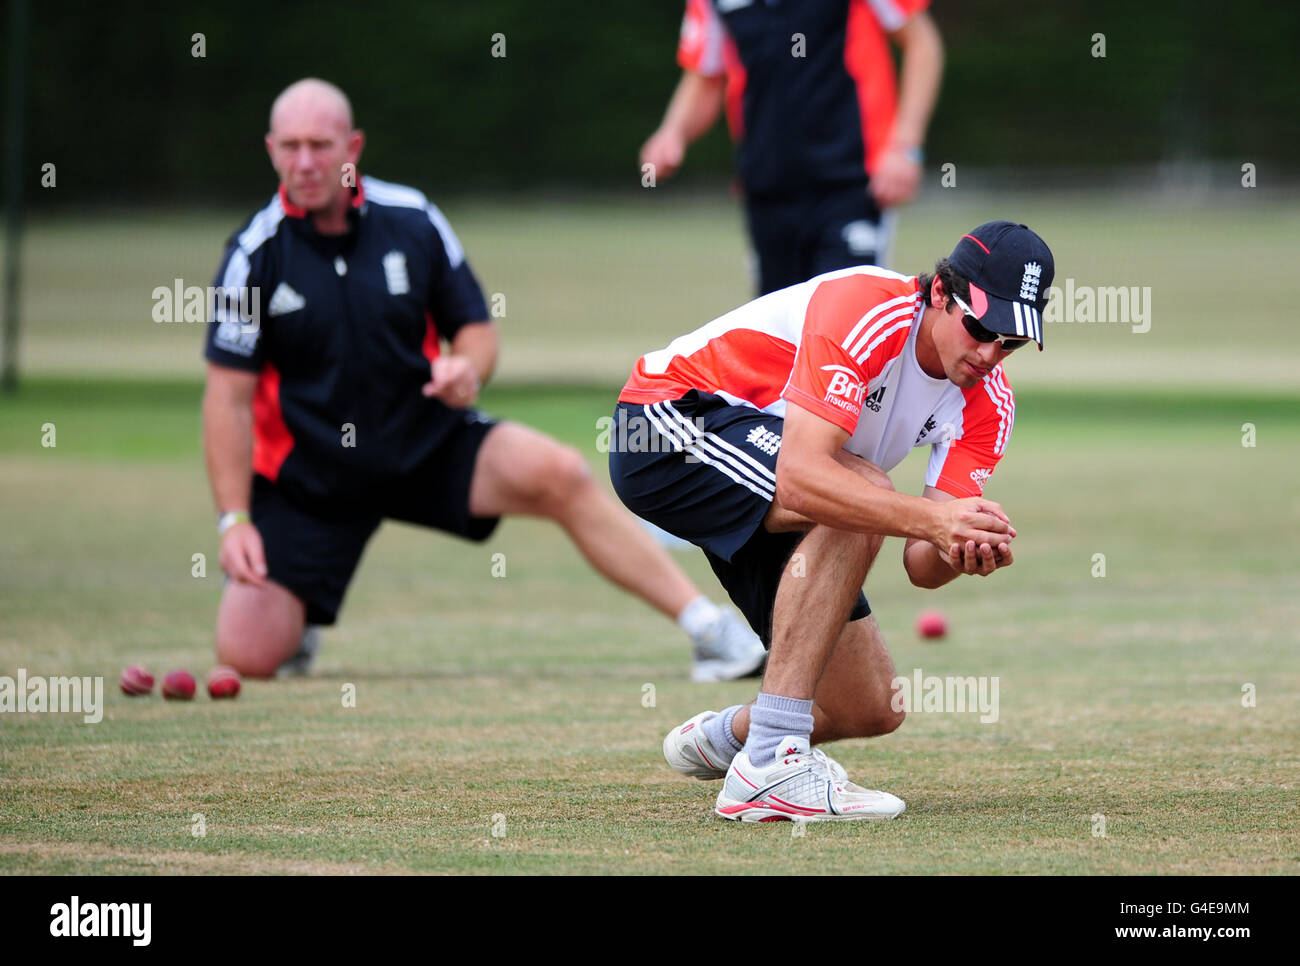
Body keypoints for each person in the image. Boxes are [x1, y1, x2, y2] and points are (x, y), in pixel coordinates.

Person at [202, 78, 766, 683]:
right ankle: (300, 616)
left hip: (423, 440)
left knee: (560, 473)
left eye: (320, 143)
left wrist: (466, 369)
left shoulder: (412, 220)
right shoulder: (254, 255)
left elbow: (476, 332)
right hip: (310, 476)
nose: (306, 161)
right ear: (271, 151)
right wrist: (234, 519)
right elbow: (228, 398)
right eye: (290, 146)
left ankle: (709, 630)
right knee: (248, 656)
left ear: (353, 146)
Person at [609, 221, 1054, 821]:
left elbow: (922, 565)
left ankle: (731, 737)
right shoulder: (866, 308)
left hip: (782, 483)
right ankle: (770, 764)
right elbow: (802, 478)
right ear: (942, 292)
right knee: (861, 490)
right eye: (980, 329)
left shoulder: (989, 405)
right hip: (665, 421)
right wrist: (933, 520)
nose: (989, 354)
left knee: (871, 706)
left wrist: (963, 549)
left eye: (1012, 342)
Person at [640, 0, 943, 295]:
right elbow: (706, 75)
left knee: (844, 315)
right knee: (778, 335)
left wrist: (905, 147)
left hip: (852, 181)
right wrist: (672, 132)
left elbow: (922, 45)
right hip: (767, 186)